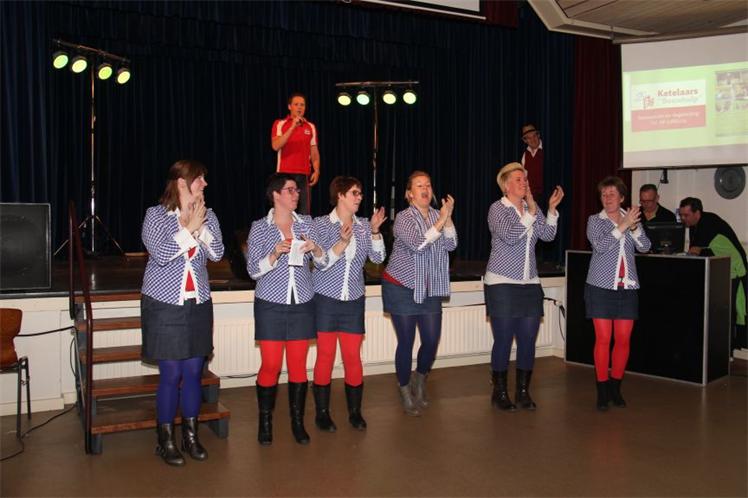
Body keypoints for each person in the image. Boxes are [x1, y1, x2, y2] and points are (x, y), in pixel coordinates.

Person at [140, 160, 225, 466]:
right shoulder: (156, 215)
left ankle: (190, 436)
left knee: (193, 373)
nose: (204, 184)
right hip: (164, 304)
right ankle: (165, 440)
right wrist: (188, 228)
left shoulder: (209, 216)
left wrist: (201, 228)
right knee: (172, 374)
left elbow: (217, 253)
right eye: (199, 179)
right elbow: (161, 254)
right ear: (180, 183)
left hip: (198, 303)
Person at [246, 173, 327, 445]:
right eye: (290, 190)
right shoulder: (260, 228)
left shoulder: (307, 224)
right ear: (276, 194)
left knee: (298, 366)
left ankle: (297, 423)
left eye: (297, 190)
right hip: (270, 303)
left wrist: (316, 248)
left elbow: (323, 262)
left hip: (302, 302)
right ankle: (265, 422)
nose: (296, 194)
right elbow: (253, 270)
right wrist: (274, 253)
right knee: (270, 365)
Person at [484, 162, 564, 411]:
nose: (524, 183)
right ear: (506, 185)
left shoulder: (531, 208)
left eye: (525, 180)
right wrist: (531, 211)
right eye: (518, 179)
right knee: (504, 339)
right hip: (502, 282)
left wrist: (550, 209)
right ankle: (499, 392)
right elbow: (510, 236)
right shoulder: (497, 209)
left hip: (530, 282)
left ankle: (522, 392)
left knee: (528, 340)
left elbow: (548, 235)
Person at [311, 176, 387, 431]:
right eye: (355, 192)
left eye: (361, 193)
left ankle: (355, 412)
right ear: (340, 195)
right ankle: (322, 413)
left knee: (353, 357)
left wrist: (375, 231)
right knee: (325, 356)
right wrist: (341, 243)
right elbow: (320, 263)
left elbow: (378, 258)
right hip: (325, 299)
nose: (359, 197)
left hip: (353, 300)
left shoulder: (364, 226)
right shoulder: (321, 225)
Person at [381, 171, 457, 416]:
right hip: (401, 286)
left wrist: (448, 219)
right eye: (419, 185)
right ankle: (404, 389)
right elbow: (418, 245)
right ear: (409, 194)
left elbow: (451, 244)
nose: (425, 189)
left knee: (431, 340)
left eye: (428, 185)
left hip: (429, 287)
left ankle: (420, 378)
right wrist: (441, 221)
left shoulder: (438, 215)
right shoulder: (403, 218)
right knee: (406, 342)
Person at [585, 176, 651, 411]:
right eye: (604, 194)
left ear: (622, 197)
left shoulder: (631, 219)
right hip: (600, 287)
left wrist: (633, 226)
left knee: (623, 339)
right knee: (603, 339)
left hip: (627, 287)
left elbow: (645, 247)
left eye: (612, 194)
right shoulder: (595, 221)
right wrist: (623, 226)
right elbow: (600, 246)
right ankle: (602, 390)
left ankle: (615, 387)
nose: (607, 198)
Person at [679, 197, 746, 351]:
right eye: (681, 215)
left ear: (697, 213)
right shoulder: (694, 224)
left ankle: (727, 352)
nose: (683, 219)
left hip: (734, 269)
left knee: (728, 312)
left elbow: (694, 251)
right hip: (721, 269)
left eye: (686, 215)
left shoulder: (708, 223)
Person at [271, 93, 320, 214]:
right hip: (285, 173)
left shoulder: (310, 126)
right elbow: (276, 146)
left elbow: (314, 151)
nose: (299, 107)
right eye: (296, 104)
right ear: (289, 107)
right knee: (284, 210)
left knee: (304, 212)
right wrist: (292, 127)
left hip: (304, 174)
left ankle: (303, 228)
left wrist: (317, 170)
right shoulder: (280, 123)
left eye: (302, 105)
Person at [520, 124, 543, 198]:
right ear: (525, 140)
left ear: (538, 135)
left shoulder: (548, 150)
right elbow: (524, 177)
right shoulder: (525, 155)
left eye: (534, 136)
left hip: (547, 196)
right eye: (529, 138)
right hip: (531, 197)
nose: (533, 139)